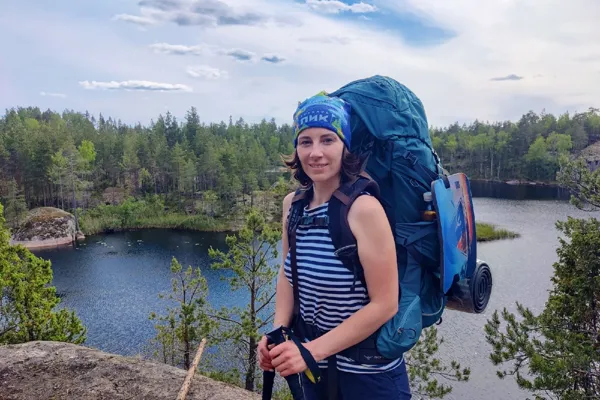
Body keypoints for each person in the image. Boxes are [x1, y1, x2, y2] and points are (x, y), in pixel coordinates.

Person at [257, 92, 412, 399]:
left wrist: (310, 351)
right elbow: (288, 274)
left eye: (327, 139)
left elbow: (386, 303)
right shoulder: (293, 206)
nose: (315, 152)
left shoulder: (363, 209)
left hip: (368, 376)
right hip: (315, 369)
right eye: (306, 141)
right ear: (296, 148)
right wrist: (279, 333)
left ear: (345, 146)